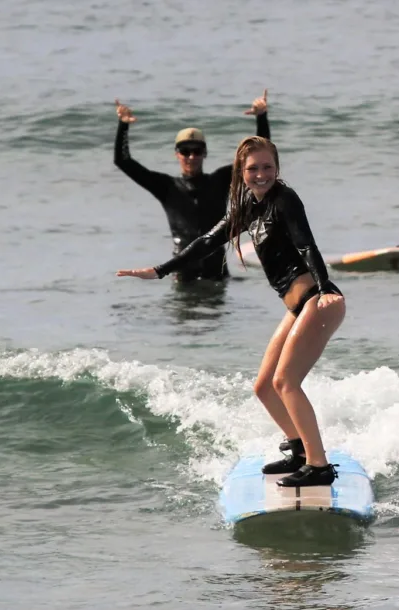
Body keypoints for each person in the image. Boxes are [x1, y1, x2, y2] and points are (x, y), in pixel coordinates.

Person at [117, 136, 345, 488]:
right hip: (298, 306)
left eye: (268, 167)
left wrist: (326, 285)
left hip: (317, 299)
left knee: (285, 382)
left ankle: (319, 465)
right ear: (241, 172)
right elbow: (207, 242)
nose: (261, 174)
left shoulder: (284, 199)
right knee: (264, 388)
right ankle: (300, 450)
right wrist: (160, 270)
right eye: (253, 168)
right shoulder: (248, 209)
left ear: (277, 168)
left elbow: (306, 243)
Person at [113, 90, 271, 282]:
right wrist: (123, 125)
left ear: (205, 153)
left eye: (197, 151)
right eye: (185, 151)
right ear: (176, 154)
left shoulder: (220, 181)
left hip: (217, 277)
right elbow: (123, 161)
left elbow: (260, 155)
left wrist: (261, 117)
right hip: (183, 278)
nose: (191, 157)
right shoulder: (166, 187)